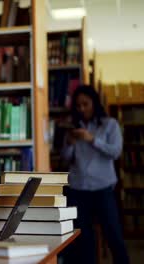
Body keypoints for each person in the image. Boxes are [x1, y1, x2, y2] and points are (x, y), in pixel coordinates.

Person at [61, 85, 129, 264]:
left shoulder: (110, 124)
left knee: (114, 236)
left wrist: (92, 140)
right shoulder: (73, 126)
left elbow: (115, 152)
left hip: (103, 189)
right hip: (77, 189)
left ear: (94, 103)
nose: (82, 109)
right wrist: (69, 143)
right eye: (78, 106)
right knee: (83, 241)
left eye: (86, 104)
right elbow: (66, 158)